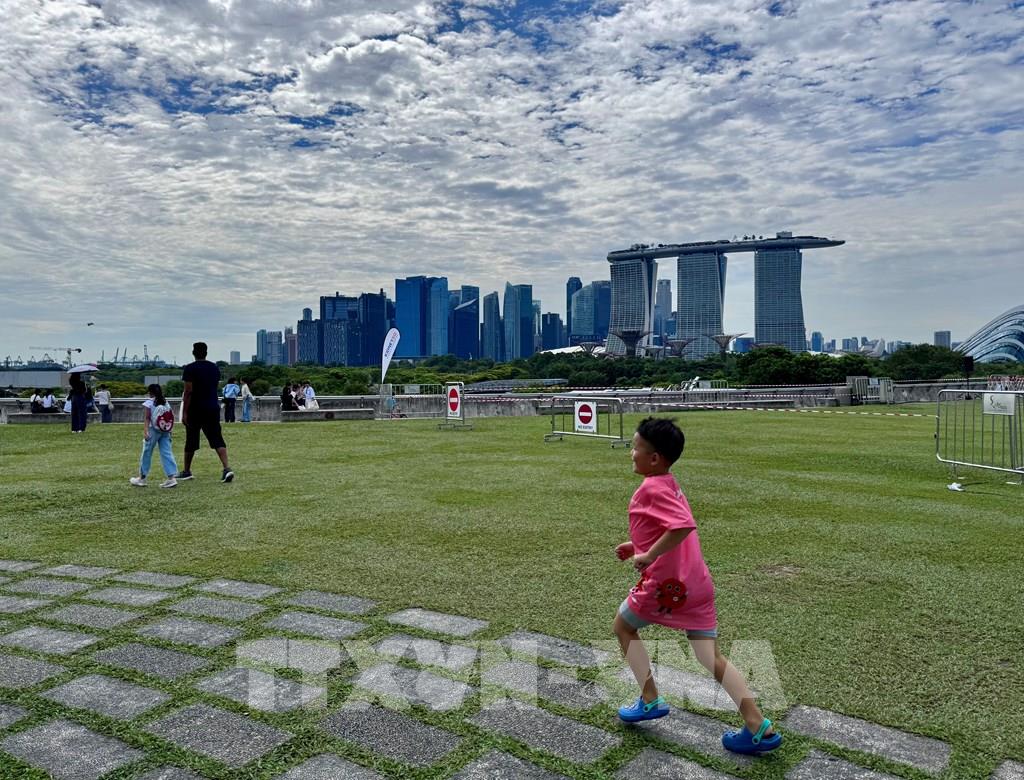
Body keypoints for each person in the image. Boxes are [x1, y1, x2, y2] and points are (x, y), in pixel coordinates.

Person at [612, 417, 782, 756]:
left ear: (654, 458)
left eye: (635, 448)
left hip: (668, 589)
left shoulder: (650, 487)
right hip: (698, 584)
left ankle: (649, 699)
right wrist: (637, 546)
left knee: (623, 627)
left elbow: (682, 526)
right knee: (710, 656)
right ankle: (757, 725)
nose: (631, 453)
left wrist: (648, 555)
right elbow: (667, 528)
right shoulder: (670, 483)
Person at [177, 342, 234, 483]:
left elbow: (188, 391)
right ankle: (226, 468)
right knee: (217, 438)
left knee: (191, 439)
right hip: (212, 407)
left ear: (193, 353)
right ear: (206, 353)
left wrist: (184, 412)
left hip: (195, 409)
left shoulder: (190, 369)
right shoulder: (214, 368)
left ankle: (187, 471)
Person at [129, 384, 178, 488]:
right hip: (165, 430)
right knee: (166, 452)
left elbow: (147, 418)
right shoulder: (165, 402)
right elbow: (170, 416)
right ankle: (171, 477)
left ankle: (142, 478)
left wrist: (145, 431)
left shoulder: (149, 402)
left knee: (147, 452)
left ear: (150, 392)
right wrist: (170, 429)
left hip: (153, 430)